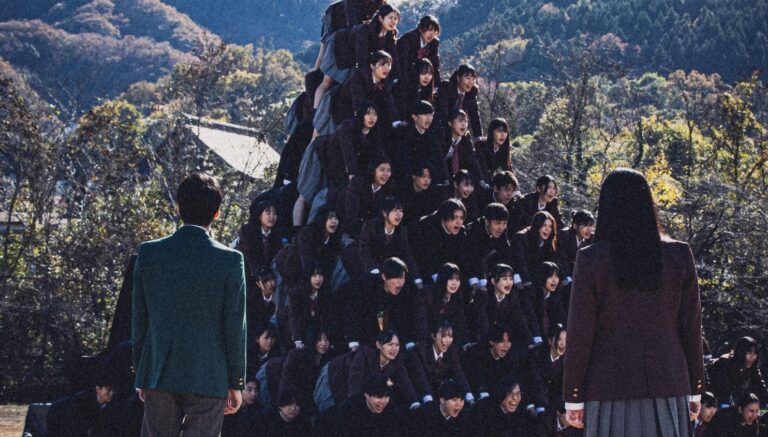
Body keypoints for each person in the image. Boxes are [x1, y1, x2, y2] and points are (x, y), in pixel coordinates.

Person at [563, 168, 705, 434]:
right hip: (668, 382)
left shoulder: (592, 259)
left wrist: (573, 395)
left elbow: (581, 333)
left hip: (608, 386)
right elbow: (691, 328)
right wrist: (696, 388)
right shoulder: (679, 255)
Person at [132, 173, 246, 436]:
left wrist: (142, 373)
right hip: (209, 373)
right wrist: (235, 381)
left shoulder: (149, 253)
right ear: (217, 213)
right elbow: (234, 328)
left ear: (178, 207)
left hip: (159, 369)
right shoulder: (230, 261)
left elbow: (139, 320)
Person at [338, 196, 422, 288]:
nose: (399, 214)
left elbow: (407, 255)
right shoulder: (370, 226)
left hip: (376, 266)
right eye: (395, 210)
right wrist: (373, 269)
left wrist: (417, 278)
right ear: (384, 213)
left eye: (401, 211)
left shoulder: (402, 231)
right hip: (355, 259)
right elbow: (364, 250)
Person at [346, 257, 421, 349]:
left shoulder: (403, 291)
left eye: (402, 278)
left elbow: (401, 318)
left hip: (378, 323)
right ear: (384, 277)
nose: (400, 282)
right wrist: (353, 342)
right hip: (345, 318)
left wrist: (409, 343)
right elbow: (353, 314)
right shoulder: (366, 285)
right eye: (396, 278)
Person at [348, 330, 422, 410]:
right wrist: (355, 404)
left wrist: (414, 402)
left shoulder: (397, 360)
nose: (394, 349)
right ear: (378, 345)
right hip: (341, 382)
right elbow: (355, 380)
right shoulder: (365, 355)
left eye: (397, 345)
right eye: (390, 344)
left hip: (374, 396)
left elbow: (405, 382)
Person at [319, 373, 407, 437]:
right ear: (366, 395)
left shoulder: (392, 410)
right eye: (379, 397)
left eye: (387, 396)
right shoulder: (349, 410)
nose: (383, 401)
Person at [407, 320, 472, 403]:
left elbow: (459, 374)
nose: (448, 341)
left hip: (442, 396)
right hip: (422, 396)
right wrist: (429, 402)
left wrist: (469, 397)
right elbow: (421, 380)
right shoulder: (419, 352)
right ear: (433, 336)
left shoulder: (452, 351)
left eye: (450, 336)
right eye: (444, 336)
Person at [415, 263, 472, 348]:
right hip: (427, 341)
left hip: (448, 342)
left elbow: (461, 323)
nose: (454, 283)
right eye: (450, 279)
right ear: (443, 279)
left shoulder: (458, 298)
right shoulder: (427, 294)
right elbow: (421, 323)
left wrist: (465, 343)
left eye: (457, 279)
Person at [46, 372, 116, 437]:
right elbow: (74, 427)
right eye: (108, 390)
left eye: (113, 390)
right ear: (98, 389)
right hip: (58, 416)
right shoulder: (81, 402)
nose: (111, 393)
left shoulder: (108, 404)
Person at [235, 200, 282, 295]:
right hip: (245, 273)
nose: (272, 217)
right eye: (268, 213)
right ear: (260, 215)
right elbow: (250, 255)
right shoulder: (248, 231)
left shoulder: (277, 236)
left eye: (275, 214)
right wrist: (261, 275)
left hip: (265, 279)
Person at [708, 336, 768, 408]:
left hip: (728, 396)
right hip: (709, 393)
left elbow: (761, 387)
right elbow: (722, 388)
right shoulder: (725, 363)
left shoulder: (752, 367)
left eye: (755, 353)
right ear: (741, 352)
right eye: (749, 353)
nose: (752, 357)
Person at [342, 156, 395, 239]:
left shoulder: (387, 192)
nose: (386, 174)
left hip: (368, 234)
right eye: (382, 170)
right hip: (349, 231)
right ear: (373, 170)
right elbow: (351, 213)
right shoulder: (357, 184)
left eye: (389, 170)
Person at [470, 375, 536, 435]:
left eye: (518, 393)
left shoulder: (519, 414)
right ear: (501, 393)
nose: (515, 398)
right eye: (510, 393)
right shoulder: (483, 410)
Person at [435, 64, 483, 139]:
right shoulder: (446, 88)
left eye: (473, 79)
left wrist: (479, 137)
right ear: (458, 78)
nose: (471, 82)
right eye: (468, 78)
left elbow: (475, 116)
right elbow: (442, 114)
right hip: (443, 129)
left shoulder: (471, 93)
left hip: (459, 130)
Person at [442, 109, 485, 185]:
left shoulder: (466, 140)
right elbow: (439, 161)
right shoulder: (443, 138)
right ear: (450, 123)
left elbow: (473, 162)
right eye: (460, 121)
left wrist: (481, 180)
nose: (464, 124)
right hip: (441, 177)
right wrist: (445, 179)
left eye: (466, 121)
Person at [397, 15, 441, 85]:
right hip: (402, 72)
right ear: (421, 29)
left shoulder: (434, 43)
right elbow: (403, 63)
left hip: (420, 75)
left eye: (434, 31)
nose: (431, 34)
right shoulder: (408, 39)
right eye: (429, 30)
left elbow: (434, 65)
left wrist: (437, 86)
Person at [557, 209, 595, 278]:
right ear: (575, 226)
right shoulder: (564, 235)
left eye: (591, 225)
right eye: (585, 225)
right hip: (562, 273)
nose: (589, 229)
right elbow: (561, 260)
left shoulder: (592, 239)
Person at [475, 118, 513, 183]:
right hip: (474, 179)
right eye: (499, 131)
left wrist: (516, 190)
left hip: (487, 181)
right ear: (492, 131)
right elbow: (482, 168)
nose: (503, 135)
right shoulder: (481, 145)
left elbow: (508, 171)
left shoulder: (503, 150)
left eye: (505, 131)